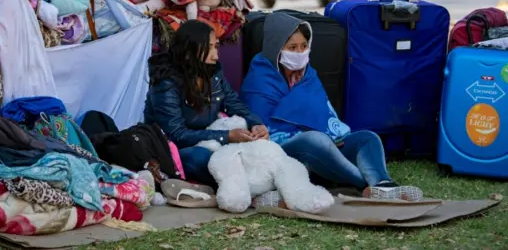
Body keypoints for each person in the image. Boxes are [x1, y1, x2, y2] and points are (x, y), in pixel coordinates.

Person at [240, 12, 423, 201]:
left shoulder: (307, 74)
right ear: (276, 48)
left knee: (367, 138)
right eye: (292, 47)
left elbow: (323, 115)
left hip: (324, 152)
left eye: (304, 46)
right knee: (314, 141)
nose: (300, 53)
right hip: (284, 153)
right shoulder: (259, 79)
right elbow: (264, 133)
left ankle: (383, 183)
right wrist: (316, 137)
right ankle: (364, 184)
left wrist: (332, 138)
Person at [144, 20, 268, 187]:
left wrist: (256, 124)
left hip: (211, 140)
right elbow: (176, 134)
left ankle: (258, 183)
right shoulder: (166, 82)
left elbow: (234, 104)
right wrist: (226, 136)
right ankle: (251, 188)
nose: (215, 56)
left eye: (216, 47)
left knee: (254, 152)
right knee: (205, 159)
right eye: (208, 48)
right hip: (176, 151)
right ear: (188, 52)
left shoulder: (214, 73)